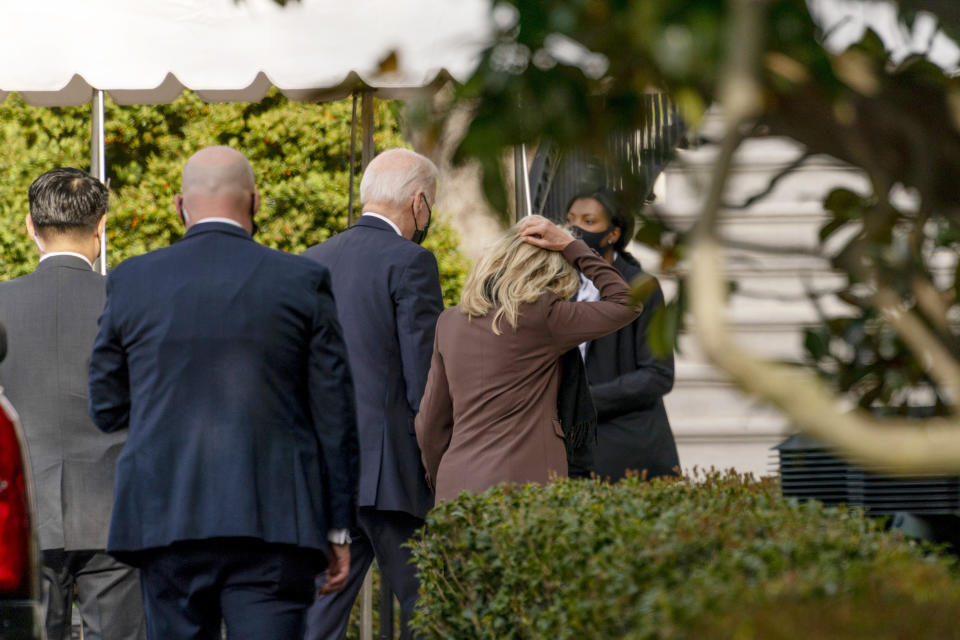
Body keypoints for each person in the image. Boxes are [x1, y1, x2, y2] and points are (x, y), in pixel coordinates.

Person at [87, 147, 359, 640]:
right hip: (275, 521)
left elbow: (105, 406)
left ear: (178, 206)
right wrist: (339, 527)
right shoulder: (301, 280)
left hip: (167, 516)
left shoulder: (132, 279)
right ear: (255, 201)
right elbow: (335, 414)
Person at [302, 148, 443, 640]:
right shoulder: (412, 261)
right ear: (419, 202)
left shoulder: (308, 261)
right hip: (394, 477)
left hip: (324, 475)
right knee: (428, 608)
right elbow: (423, 376)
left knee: (318, 617)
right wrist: (437, 461)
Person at [0, 168, 145, 640]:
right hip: (116, 508)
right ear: (101, 225)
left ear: (30, 226)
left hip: (25, 518)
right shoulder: (133, 303)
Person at [415, 215, 641, 502]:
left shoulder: (449, 322)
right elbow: (626, 302)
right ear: (550, 272)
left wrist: (443, 477)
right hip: (524, 490)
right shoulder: (543, 315)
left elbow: (430, 424)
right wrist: (572, 246)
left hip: (456, 487)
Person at [565, 188, 679, 480]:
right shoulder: (557, 285)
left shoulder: (641, 288)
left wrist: (587, 401)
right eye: (570, 220)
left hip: (628, 450)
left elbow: (657, 374)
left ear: (613, 234)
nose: (575, 230)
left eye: (588, 221)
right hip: (569, 453)